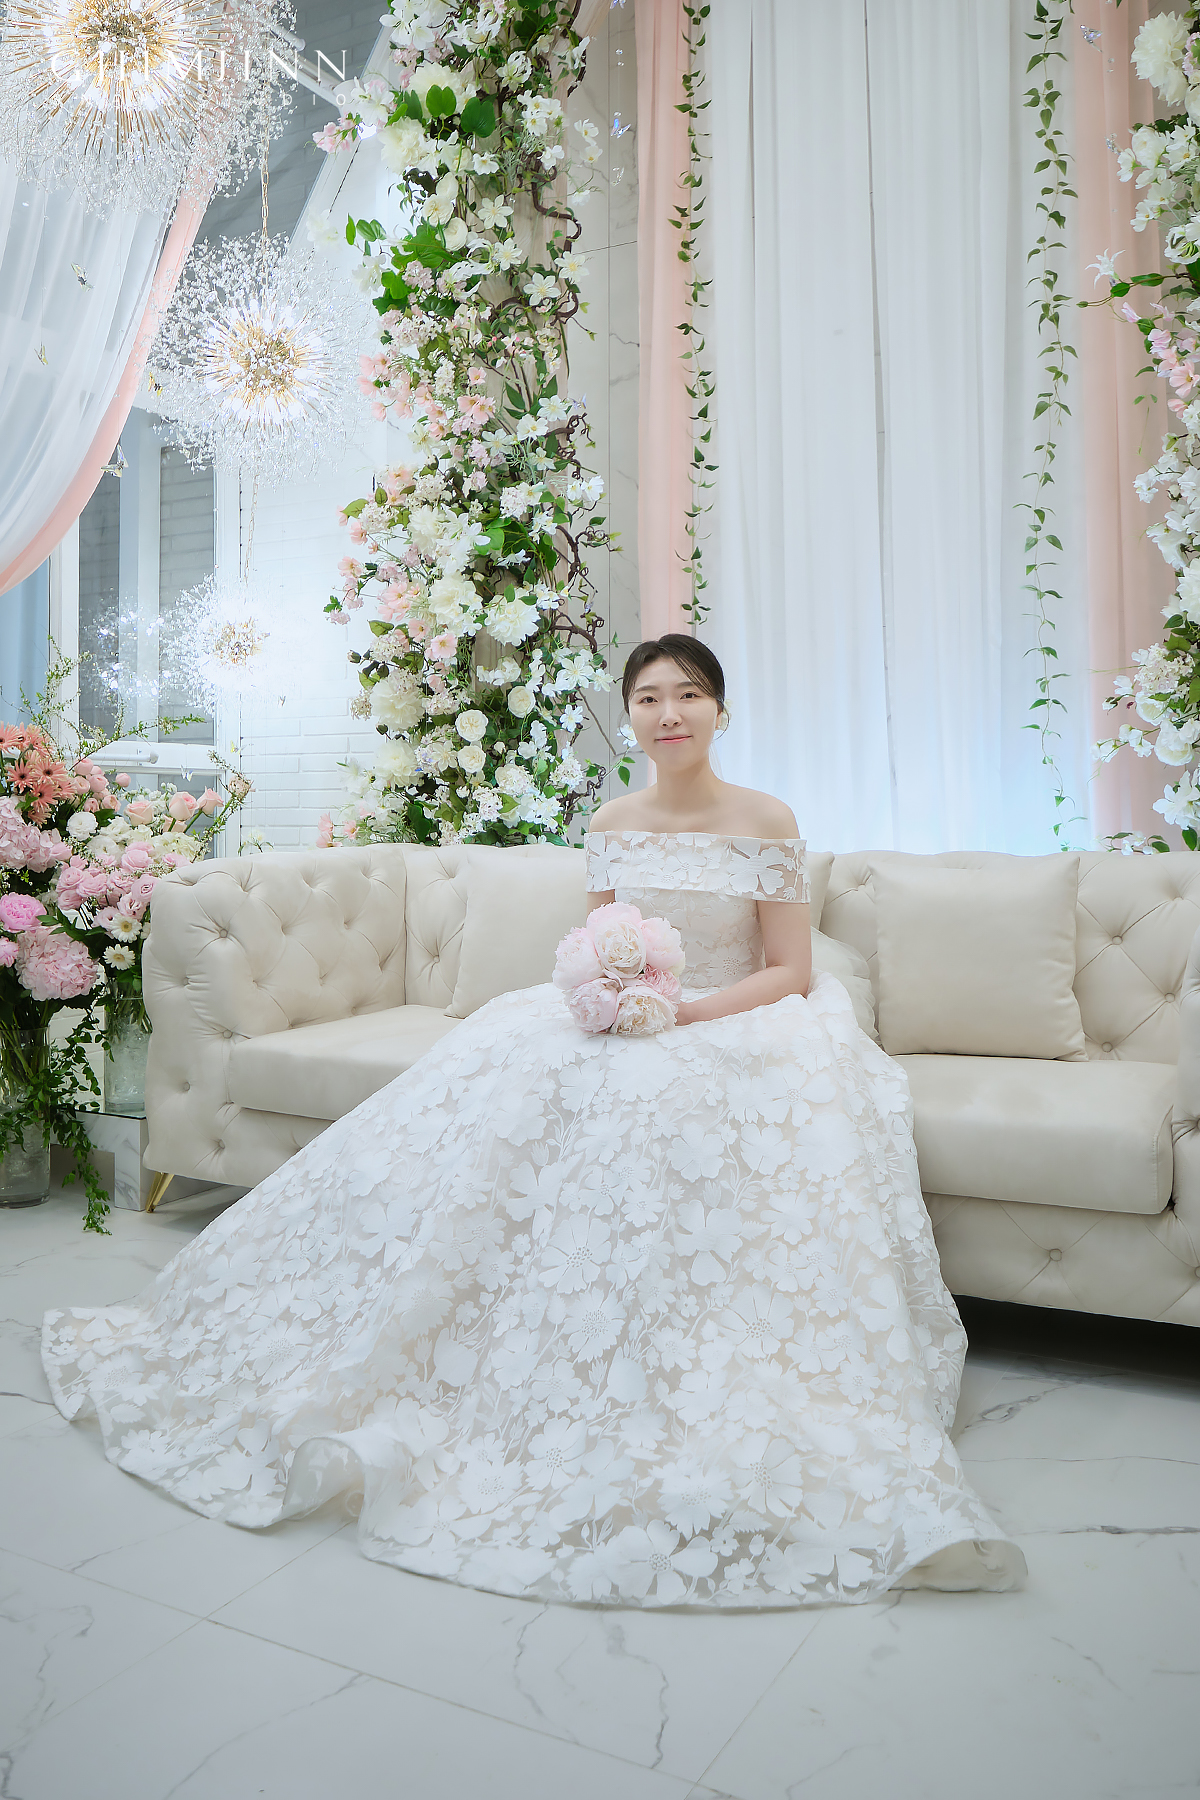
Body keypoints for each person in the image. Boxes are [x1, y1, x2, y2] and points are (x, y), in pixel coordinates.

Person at [41, 635, 1025, 1607]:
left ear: (721, 711)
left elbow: (790, 970)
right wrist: (614, 995)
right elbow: (598, 943)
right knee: (512, 1085)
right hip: (628, 1011)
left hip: (733, 1016)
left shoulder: (766, 820)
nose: (670, 713)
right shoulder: (614, 819)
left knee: (664, 1103)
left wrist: (682, 1014)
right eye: (650, 697)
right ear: (630, 716)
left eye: (689, 694)